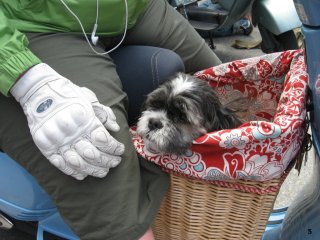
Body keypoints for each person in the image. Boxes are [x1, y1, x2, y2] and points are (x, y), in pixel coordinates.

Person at [0, 0, 222, 239]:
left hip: (134, 8)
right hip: (32, 22)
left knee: (237, 88)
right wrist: (26, 79)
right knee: (96, 153)